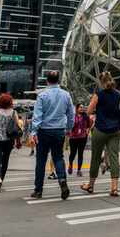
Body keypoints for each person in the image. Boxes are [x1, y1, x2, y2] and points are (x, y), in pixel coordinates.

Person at [29, 70, 74, 200]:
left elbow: (37, 116)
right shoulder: (66, 95)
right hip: (59, 130)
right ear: (58, 80)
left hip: (44, 131)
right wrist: (69, 128)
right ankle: (62, 180)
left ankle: (38, 190)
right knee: (58, 157)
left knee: (41, 160)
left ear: (47, 81)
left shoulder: (42, 95)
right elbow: (71, 114)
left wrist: (33, 132)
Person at [80, 72, 120, 196]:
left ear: (101, 82)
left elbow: (88, 112)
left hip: (100, 129)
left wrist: (94, 109)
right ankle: (114, 188)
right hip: (115, 130)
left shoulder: (98, 95)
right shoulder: (118, 95)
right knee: (114, 157)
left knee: (96, 158)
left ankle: (91, 185)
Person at [0, 93, 22, 193]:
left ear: (0, 102)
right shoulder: (14, 113)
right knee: (5, 160)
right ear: (10, 102)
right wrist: (17, 141)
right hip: (9, 140)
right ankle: (2, 178)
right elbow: (17, 128)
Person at [68, 104, 90, 176]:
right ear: (77, 108)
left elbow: (89, 125)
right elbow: (69, 125)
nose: (82, 109)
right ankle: (70, 165)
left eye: (83, 107)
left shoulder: (85, 116)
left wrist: (87, 130)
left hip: (82, 137)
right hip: (73, 138)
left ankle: (79, 170)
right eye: (80, 107)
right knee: (73, 153)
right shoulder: (73, 116)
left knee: (80, 154)